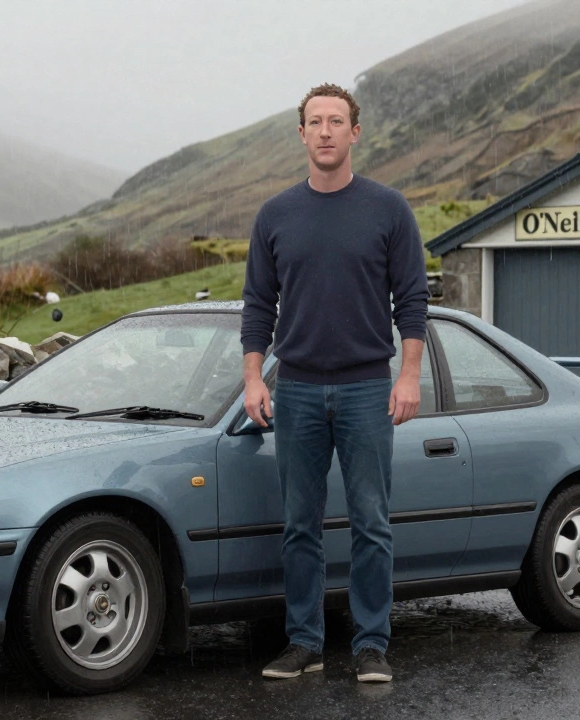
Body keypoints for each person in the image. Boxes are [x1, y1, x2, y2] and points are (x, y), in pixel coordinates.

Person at [240, 83, 429, 684]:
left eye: (336, 121)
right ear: (301, 134)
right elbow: (256, 305)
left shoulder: (389, 209)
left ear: (355, 133)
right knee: (301, 525)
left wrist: (409, 376)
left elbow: (414, 300)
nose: (325, 131)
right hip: (293, 390)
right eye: (315, 122)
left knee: (372, 522)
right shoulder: (274, 215)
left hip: (367, 390)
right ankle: (305, 643)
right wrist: (253, 380)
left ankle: (371, 645)